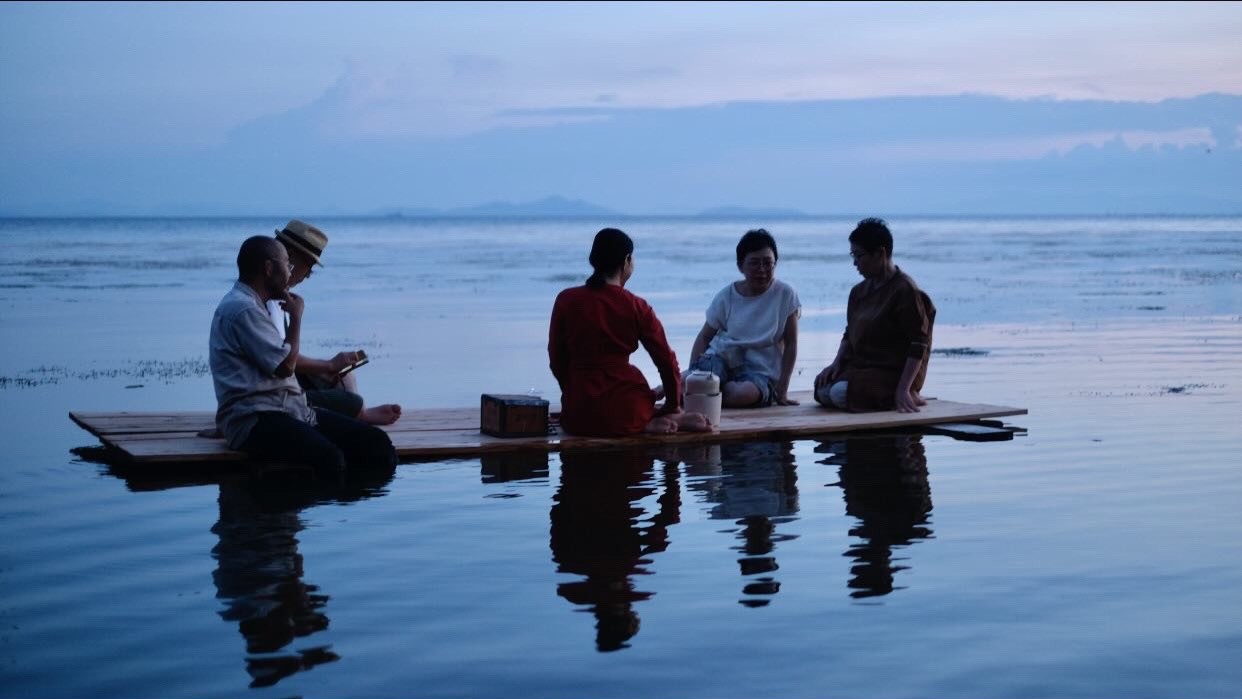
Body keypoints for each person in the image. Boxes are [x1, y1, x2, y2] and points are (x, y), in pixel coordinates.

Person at [209, 236, 397, 474]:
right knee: (331, 459)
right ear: (268, 269)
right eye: (287, 265)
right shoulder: (244, 309)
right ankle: (274, 502)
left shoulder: (257, 304)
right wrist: (297, 318)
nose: (290, 274)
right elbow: (286, 366)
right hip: (256, 419)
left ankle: (336, 503)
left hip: (289, 409)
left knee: (376, 444)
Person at [548, 228, 711, 436]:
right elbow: (666, 360)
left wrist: (572, 390)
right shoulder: (636, 306)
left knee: (600, 411)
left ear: (593, 259)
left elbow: (556, 358)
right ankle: (655, 420)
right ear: (626, 261)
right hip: (626, 406)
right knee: (635, 402)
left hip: (579, 413)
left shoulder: (566, 300)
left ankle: (649, 421)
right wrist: (672, 405)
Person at [268, 220, 402, 426]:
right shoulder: (266, 303)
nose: (307, 276)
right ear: (290, 259)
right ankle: (360, 413)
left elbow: (285, 356)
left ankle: (359, 411)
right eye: (309, 267)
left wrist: (328, 368)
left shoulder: (279, 299)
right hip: (274, 397)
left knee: (346, 379)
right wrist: (328, 365)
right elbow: (283, 362)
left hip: (284, 383)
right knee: (348, 397)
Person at [813, 218, 936, 413]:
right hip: (863, 367)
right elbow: (849, 334)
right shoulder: (858, 292)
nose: (855, 263)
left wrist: (903, 389)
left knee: (839, 393)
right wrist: (835, 364)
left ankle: (905, 393)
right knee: (822, 388)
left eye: (859, 256)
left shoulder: (904, 290)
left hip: (893, 370)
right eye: (852, 255)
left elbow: (918, 343)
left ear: (880, 253)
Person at [687, 229, 801, 407]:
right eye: (754, 263)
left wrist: (782, 388)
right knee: (696, 381)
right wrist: (695, 373)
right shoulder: (727, 296)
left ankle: (705, 393)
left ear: (775, 264)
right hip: (720, 358)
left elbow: (791, 343)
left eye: (767, 263)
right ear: (741, 266)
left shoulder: (785, 294)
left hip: (760, 372)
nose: (762, 270)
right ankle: (695, 388)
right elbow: (704, 336)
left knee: (742, 394)